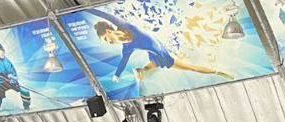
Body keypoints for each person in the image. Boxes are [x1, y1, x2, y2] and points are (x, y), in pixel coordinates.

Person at [87, 8, 232, 88]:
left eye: (106, 39)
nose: (108, 42)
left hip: (161, 52)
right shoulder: (127, 48)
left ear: (109, 31)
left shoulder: (122, 24)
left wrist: (87, 9)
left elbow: (104, 14)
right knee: (158, 65)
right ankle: (142, 71)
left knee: (190, 68)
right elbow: (123, 61)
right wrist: (117, 75)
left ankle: (217, 71)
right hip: (156, 53)